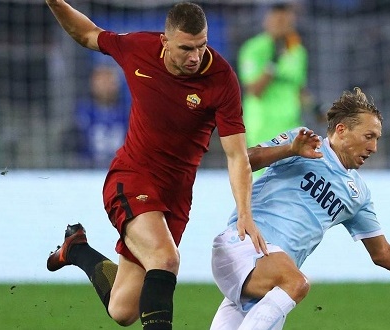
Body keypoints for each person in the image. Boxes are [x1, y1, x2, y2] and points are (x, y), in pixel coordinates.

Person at [44, 1, 267, 329]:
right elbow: (87, 33)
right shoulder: (138, 48)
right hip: (132, 178)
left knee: (123, 310)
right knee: (166, 259)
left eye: (202, 46)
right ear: (165, 41)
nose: (195, 56)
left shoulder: (221, 79)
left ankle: (76, 248)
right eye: (186, 48)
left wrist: (244, 212)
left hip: (175, 196)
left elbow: (237, 155)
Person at [209, 87, 390, 330]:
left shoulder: (359, 195)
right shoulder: (304, 142)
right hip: (243, 244)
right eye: (369, 136)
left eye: (377, 138)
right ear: (342, 130)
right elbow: (243, 160)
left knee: (285, 287)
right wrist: (289, 150)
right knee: (297, 283)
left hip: (268, 278)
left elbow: (383, 253)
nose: (374, 146)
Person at [237, 2, 308, 148]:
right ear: (267, 22)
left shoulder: (298, 51)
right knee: (265, 171)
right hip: (262, 128)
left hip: (291, 127)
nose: (282, 26)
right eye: (278, 22)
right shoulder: (253, 49)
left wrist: (317, 109)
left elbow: (299, 90)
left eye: (286, 22)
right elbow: (254, 90)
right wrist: (274, 61)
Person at [66, 65, 129, 168]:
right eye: (102, 81)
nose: (106, 86)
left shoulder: (126, 112)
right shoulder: (83, 110)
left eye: (110, 81)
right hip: (88, 169)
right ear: (93, 84)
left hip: (121, 168)